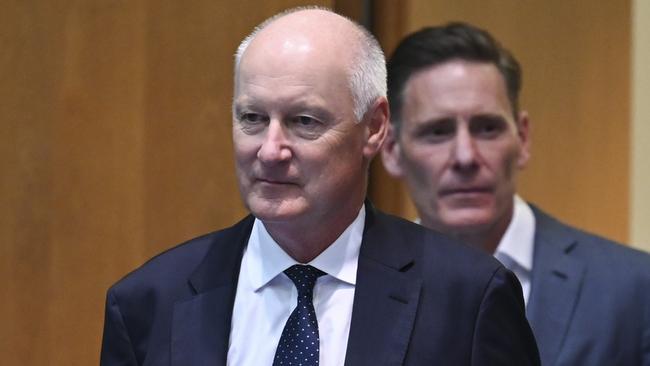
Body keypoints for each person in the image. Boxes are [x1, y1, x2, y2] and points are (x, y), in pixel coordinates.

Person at [100, 9, 540, 365]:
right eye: (252, 119)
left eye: (303, 122)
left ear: (374, 127)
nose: (270, 150)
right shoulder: (148, 303)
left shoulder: (468, 300)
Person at [382, 22, 650, 366]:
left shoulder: (634, 289)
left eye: (488, 128)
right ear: (391, 150)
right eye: (437, 132)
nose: (466, 156)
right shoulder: (360, 289)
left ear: (522, 138)